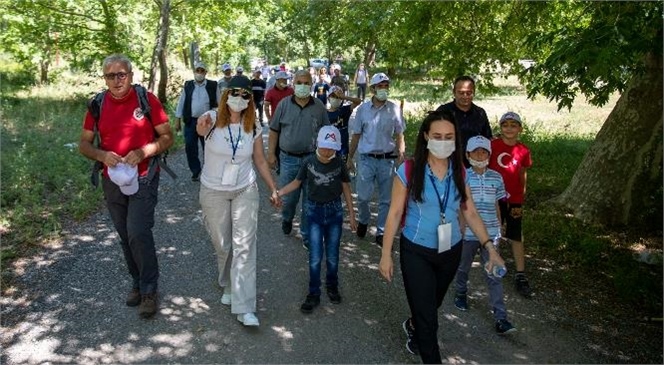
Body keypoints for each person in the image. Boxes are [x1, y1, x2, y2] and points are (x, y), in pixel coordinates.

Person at [378, 110, 506, 363]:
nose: (443, 141)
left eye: (449, 136)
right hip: (416, 251)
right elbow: (393, 214)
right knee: (429, 319)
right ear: (426, 136)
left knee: (430, 305)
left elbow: (469, 211)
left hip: (450, 250)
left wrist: (490, 248)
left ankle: (415, 324)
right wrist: (385, 255)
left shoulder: (460, 170)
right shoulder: (409, 169)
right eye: (437, 135)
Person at [79, 54, 174, 318]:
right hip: (113, 180)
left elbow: (167, 137)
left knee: (138, 232)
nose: (117, 80)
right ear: (105, 79)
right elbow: (84, 144)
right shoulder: (97, 104)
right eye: (111, 75)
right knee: (124, 235)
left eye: (122, 74)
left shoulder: (147, 100)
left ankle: (149, 290)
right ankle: (136, 281)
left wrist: (145, 151)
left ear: (131, 75)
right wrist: (102, 156)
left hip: (144, 177)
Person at [195, 75, 279, 327]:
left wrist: (273, 188)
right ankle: (229, 284)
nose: (240, 99)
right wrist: (201, 124)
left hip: (245, 189)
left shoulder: (252, 125)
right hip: (213, 191)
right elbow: (199, 129)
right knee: (223, 245)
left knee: (244, 245)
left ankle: (245, 307)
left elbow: (260, 160)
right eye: (235, 93)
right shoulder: (211, 119)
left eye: (245, 96)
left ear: (250, 100)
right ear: (225, 94)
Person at [275, 125, 357, 313]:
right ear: (318, 144)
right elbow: (297, 182)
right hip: (313, 211)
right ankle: (313, 293)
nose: (328, 151)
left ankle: (332, 285)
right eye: (325, 146)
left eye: (332, 148)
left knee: (333, 255)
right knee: (315, 256)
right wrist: (279, 192)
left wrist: (351, 215)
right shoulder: (309, 162)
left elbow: (346, 188)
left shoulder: (339, 163)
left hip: (335, 211)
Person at [453, 135, 517, 335]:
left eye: (484, 151)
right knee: (463, 267)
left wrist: (500, 227)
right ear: (467, 154)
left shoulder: (496, 177)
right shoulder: (464, 176)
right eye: (475, 151)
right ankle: (461, 291)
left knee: (494, 275)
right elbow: (461, 207)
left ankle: (501, 318)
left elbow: (498, 205)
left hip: (491, 233)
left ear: (489, 154)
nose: (480, 154)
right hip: (469, 235)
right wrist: (460, 228)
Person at [267, 70, 330, 249]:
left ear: (311, 85)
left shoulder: (319, 106)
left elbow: (326, 133)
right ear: (293, 84)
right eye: (299, 82)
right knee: (290, 199)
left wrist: (328, 158)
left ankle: (306, 235)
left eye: (306, 83)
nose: (303, 86)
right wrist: (271, 154)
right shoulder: (284, 105)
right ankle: (287, 218)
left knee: (310, 201)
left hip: (312, 159)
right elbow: (274, 130)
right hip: (288, 160)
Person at [347, 72, 405, 247]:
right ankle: (363, 220)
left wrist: (401, 153)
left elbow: (400, 134)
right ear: (373, 89)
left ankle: (381, 232)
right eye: (380, 86)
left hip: (387, 160)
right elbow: (356, 135)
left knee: (386, 199)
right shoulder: (363, 110)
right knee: (363, 197)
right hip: (366, 159)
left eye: (386, 86)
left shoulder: (394, 109)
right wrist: (349, 157)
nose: (384, 89)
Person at [489, 111, 533, 298]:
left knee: (515, 234)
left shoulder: (523, 150)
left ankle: (520, 274)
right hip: (494, 197)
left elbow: (523, 173)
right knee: (494, 230)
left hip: (514, 199)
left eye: (513, 125)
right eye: (505, 125)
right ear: (500, 128)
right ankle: (493, 263)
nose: (509, 129)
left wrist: (522, 194)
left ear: (520, 129)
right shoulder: (492, 146)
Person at [174, 61, 218, 181]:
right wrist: (177, 119)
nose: (199, 73)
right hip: (191, 121)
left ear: (205, 73)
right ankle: (195, 171)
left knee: (208, 147)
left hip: (207, 122)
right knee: (190, 147)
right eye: (197, 70)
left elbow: (218, 104)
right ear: (194, 72)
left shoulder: (213, 85)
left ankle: (209, 171)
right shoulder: (188, 85)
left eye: (202, 71)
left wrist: (217, 118)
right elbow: (181, 102)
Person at [435, 75, 491, 166]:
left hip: (474, 165)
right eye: (461, 93)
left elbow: (487, 139)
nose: (465, 96)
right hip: (448, 162)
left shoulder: (480, 113)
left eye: (469, 93)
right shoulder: (443, 111)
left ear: (474, 92)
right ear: (454, 93)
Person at [326, 86, 361, 162]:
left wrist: (344, 97)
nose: (336, 98)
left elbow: (358, 101)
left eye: (338, 97)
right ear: (328, 98)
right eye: (333, 96)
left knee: (343, 171)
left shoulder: (345, 110)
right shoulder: (324, 113)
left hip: (343, 150)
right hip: (328, 150)